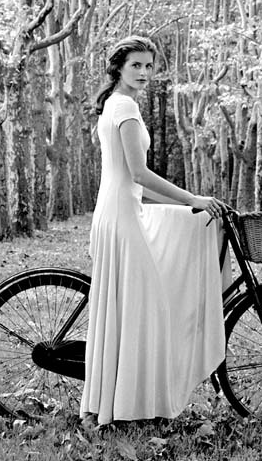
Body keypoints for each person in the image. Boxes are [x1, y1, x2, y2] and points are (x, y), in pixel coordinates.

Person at [80, 35, 230, 427]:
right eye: (137, 66)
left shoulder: (116, 104)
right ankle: (129, 404)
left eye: (149, 66)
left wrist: (183, 206)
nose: (145, 73)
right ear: (119, 68)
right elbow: (138, 173)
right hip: (120, 215)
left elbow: (138, 185)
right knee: (147, 307)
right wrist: (193, 198)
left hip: (119, 209)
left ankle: (123, 400)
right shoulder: (125, 105)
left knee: (132, 309)